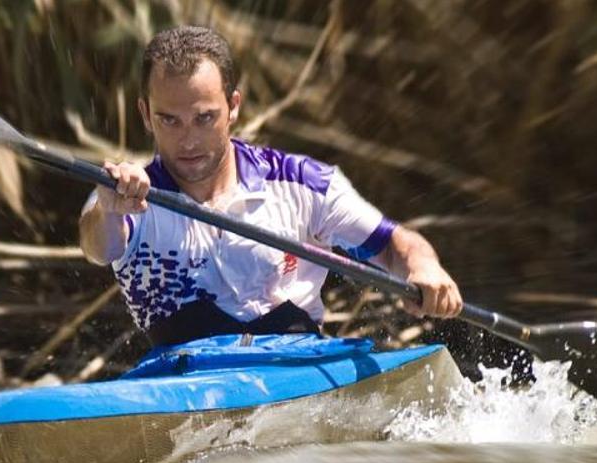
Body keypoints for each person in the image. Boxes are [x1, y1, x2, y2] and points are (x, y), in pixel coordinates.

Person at [80, 26, 462, 347]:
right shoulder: (126, 199)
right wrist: (108, 209)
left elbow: (395, 244)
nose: (188, 141)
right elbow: (100, 246)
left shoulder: (300, 183)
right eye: (170, 120)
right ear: (146, 114)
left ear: (233, 106)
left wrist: (424, 267)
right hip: (185, 376)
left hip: (294, 365)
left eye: (204, 118)